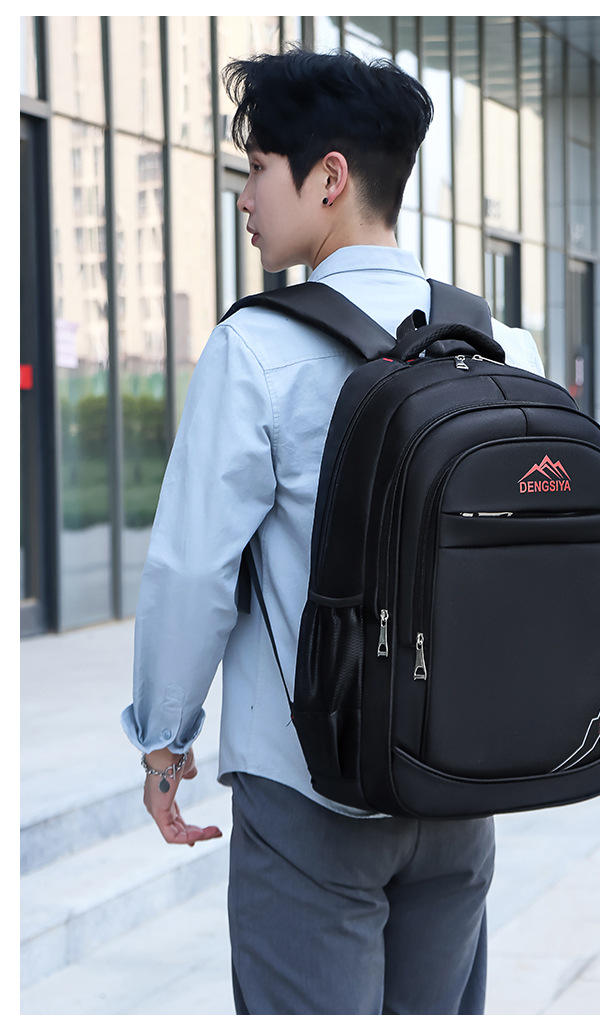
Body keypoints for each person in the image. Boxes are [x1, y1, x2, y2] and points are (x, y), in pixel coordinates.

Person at [122, 46, 544, 1015]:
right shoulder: (501, 345)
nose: (243, 197)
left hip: (309, 791)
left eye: (257, 168)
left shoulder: (255, 347)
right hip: (462, 783)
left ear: (330, 177)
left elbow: (191, 571)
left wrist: (163, 742)